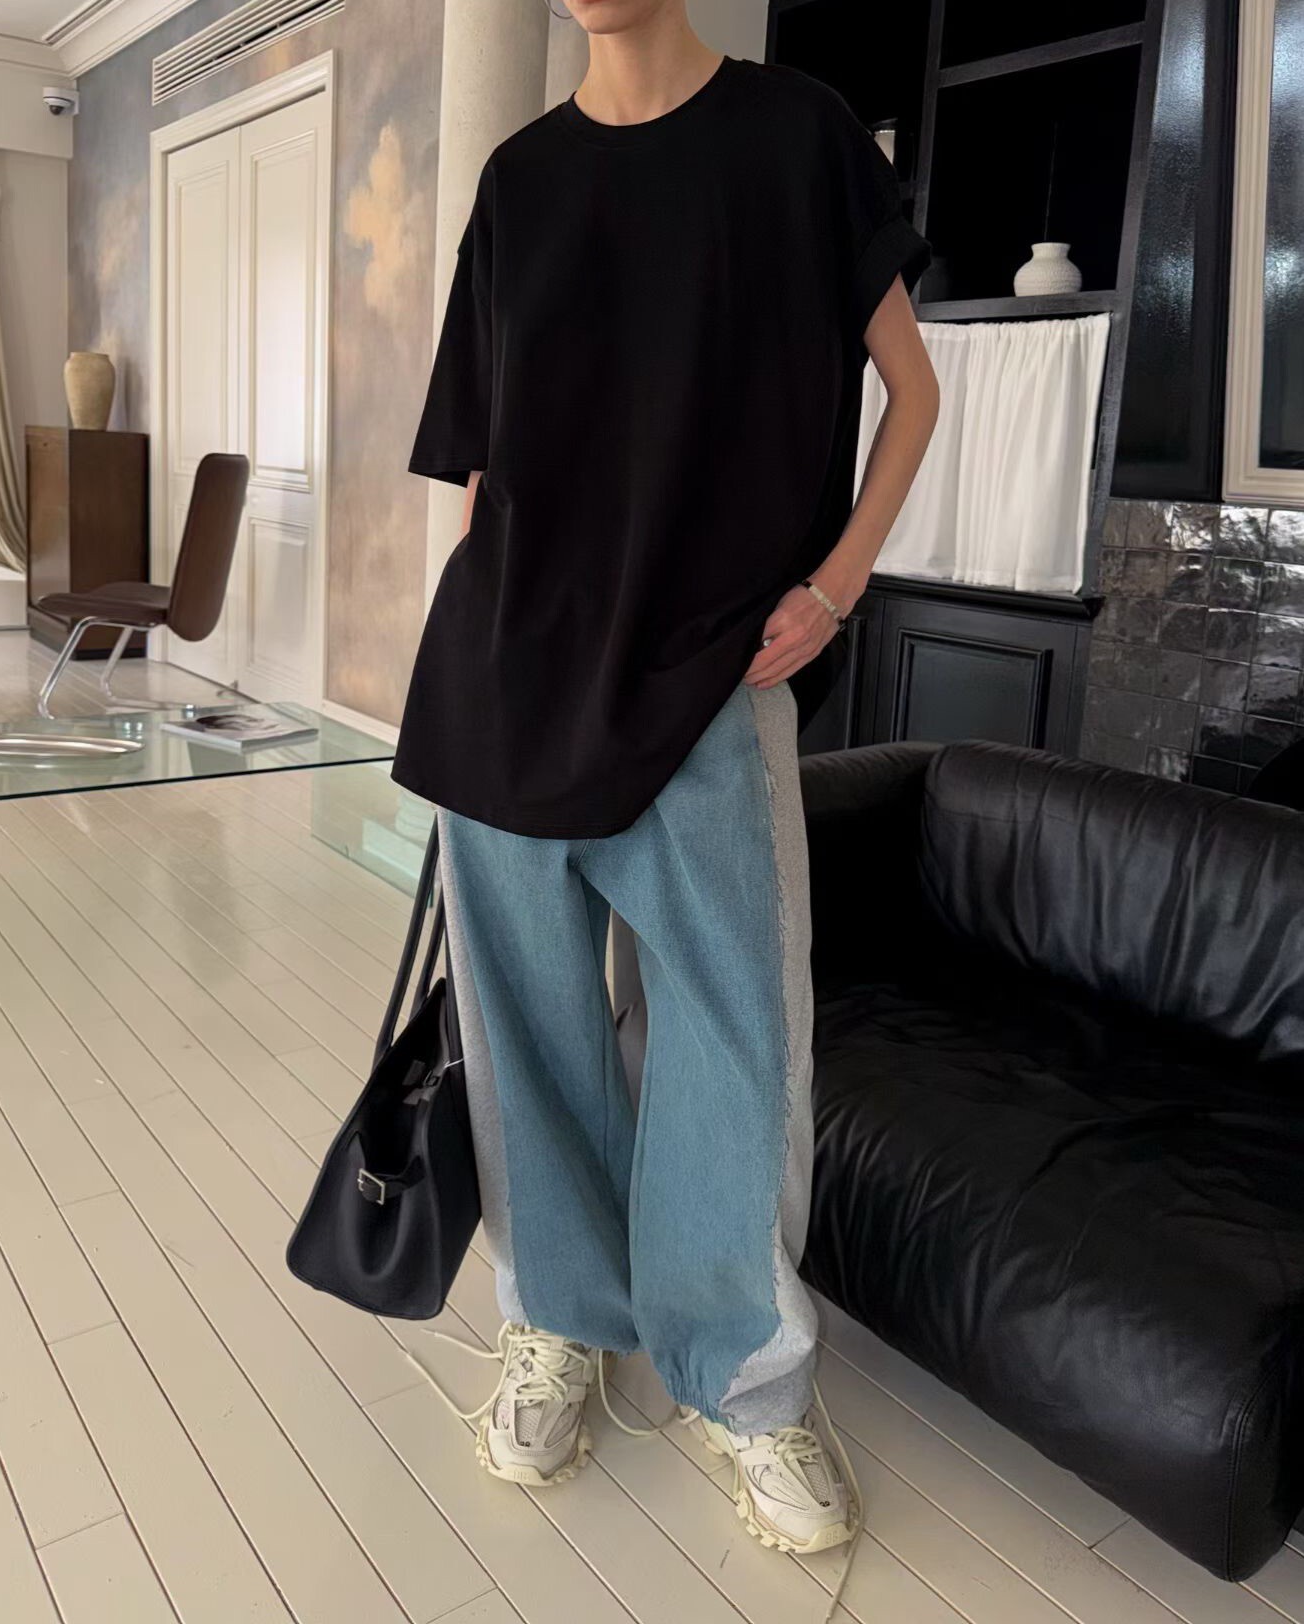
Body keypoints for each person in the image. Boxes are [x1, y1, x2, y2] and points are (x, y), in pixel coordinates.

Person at [392, 0, 938, 1606]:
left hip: (716, 677)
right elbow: (485, 471)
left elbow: (911, 392)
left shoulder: (799, 136)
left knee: (735, 1043)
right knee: (527, 1031)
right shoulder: (519, 180)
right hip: (509, 683)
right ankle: (557, 1322)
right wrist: (477, 657)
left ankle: (743, 1381)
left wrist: (835, 588)